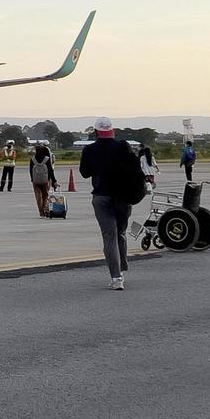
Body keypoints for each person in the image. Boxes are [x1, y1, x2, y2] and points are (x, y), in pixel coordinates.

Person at [79, 117, 143, 290]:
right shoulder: (122, 146)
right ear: (112, 130)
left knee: (109, 236)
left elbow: (84, 173)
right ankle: (122, 267)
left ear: (96, 131)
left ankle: (117, 278)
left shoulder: (90, 150)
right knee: (121, 233)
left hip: (101, 197)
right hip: (122, 198)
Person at [28, 144, 56, 216]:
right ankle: (44, 208)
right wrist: (53, 180)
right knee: (45, 195)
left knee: (38, 196)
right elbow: (50, 170)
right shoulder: (46, 159)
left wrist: (32, 179)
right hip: (45, 180)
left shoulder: (32, 159)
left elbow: (30, 170)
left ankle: (40, 211)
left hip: (35, 180)